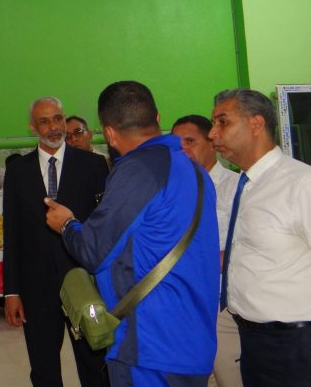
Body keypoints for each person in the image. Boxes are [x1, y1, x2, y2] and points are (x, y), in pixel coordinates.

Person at [45, 81, 220, 386]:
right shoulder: (194, 170)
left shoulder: (137, 170)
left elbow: (93, 251)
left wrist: (66, 224)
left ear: (110, 133)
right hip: (193, 339)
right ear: (157, 117)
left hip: (150, 346)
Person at [3, 97, 110, 387]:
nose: (54, 127)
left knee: (95, 365)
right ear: (32, 126)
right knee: (44, 367)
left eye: (58, 118)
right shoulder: (18, 171)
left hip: (84, 283)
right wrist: (11, 292)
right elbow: (12, 233)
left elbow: (104, 228)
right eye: (45, 121)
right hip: (36, 288)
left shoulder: (93, 165)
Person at [209, 89, 311, 387]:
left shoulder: (300, 183)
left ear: (256, 124)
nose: (213, 133)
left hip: (294, 343)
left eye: (223, 122)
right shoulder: (246, 183)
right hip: (252, 339)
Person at [171, 115, 241, 387]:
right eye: (177, 144)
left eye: (190, 141)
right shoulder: (172, 191)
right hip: (183, 308)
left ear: (211, 143)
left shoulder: (235, 187)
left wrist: (215, 259)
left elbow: (246, 244)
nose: (183, 149)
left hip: (224, 310)